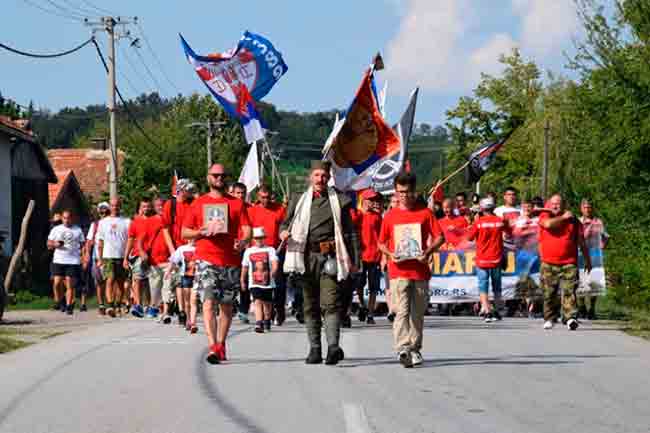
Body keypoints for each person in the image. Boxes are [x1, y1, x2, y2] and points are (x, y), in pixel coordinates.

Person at [280, 160, 360, 365]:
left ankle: (333, 347)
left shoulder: (340, 200)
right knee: (310, 305)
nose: (320, 179)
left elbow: (351, 233)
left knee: (331, 303)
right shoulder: (298, 200)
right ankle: (315, 349)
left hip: (330, 258)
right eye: (316, 175)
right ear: (310, 177)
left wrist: (355, 260)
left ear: (329, 178)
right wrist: (283, 232)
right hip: (304, 257)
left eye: (324, 176)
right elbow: (285, 223)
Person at [182, 163, 251, 364]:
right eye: (215, 175)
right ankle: (213, 346)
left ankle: (221, 344)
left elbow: (247, 229)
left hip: (230, 259)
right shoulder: (198, 203)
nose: (219, 179)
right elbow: (184, 232)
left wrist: (243, 241)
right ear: (208, 177)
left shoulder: (236, 204)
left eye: (222, 175)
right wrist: (200, 232)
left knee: (227, 306)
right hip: (206, 258)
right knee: (209, 302)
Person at [378, 172, 444, 368]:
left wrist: (428, 251)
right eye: (399, 192)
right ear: (395, 192)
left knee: (417, 314)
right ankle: (403, 348)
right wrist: (390, 253)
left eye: (407, 192)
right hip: (398, 271)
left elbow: (440, 237)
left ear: (414, 192)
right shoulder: (389, 215)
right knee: (401, 311)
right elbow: (381, 242)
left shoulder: (425, 213)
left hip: (420, 270)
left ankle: (415, 349)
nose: (403, 196)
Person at [538, 194, 592, 331]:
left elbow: (581, 241)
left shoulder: (574, 221)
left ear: (564, 205)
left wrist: (587, 260)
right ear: (549, 205)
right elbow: (548, 225)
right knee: (549, 294)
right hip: (548, 262)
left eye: (559, 203)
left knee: (569, 291)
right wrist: (563, 218)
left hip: (569, 262)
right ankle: (550, 318)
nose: (556, 206)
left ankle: (570, 318)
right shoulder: (545, 216)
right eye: (553, 203)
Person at [465, 197, 510, 322]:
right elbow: (508, 232)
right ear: (493, 208)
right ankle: (496, 310)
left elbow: (469, 238)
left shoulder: (479, 223)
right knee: (496, 286)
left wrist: (472, 223)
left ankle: (487, 311)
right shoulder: (500, 221)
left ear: (482, 209)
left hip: (482, 259)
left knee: (483, 285)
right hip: (496, 258)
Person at [248, 185, 287, 325]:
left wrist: (284, 235)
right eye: (262, 197)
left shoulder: (279, 209)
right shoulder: (252, 211)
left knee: (279, 283)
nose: (265, 200)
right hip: (258, 252)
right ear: (258, 197)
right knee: (262, 283)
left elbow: (285, 225)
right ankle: (266, 314)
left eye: (267, 197)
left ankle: (280, 308)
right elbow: (247, 231)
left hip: (276, 250)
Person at [162, 179, 196, 326]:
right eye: (188, 191)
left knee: (186, 281)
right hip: (176, 247)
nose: (190, 193)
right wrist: (172, 250)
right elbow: (165, 228)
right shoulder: (171, 204)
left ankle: (185, 310)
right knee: (177, 281)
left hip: (190, 247)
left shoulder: (193, 203)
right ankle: (180, 310)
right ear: (181, 190)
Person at [96, 197, 131, 318]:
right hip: (108, 255)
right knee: (109, 280)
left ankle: (117, 304)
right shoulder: (103, 222)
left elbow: (129, 241)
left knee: (120, 283)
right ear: (109, 207)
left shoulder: (126, 221)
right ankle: (110, 305)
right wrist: (100, 259)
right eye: (112, 205)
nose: (114, 207)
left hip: (121, 256)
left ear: (120, 206)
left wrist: (127, 257)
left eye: (117, 205)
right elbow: (100, 242)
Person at [139, 201, 172, 323]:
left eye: (162, 205)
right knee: (155, 288)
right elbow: (140, 239)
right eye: (158, 205)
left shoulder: (171, 220)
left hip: (169, 260)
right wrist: (142, 252)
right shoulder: (150, 221)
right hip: (154, 260)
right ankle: (156, 307)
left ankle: (166, 312)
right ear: (154, 207)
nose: (161, 208)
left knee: (167, 287)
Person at [241, 227, 279, 333]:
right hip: (254, 283)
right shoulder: (248, 251)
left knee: (267, 304)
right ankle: (258, 323)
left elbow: (275, 262)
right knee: (257, 301)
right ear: (253, 239)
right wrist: (242, 280)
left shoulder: (270, 250)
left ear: (264, 238)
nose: (259, 240)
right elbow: (245, 266)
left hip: (268, 282)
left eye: (261, 238)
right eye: (257, 238)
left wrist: (274, 270)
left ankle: (267, 320)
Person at [47, 210, 85, 315]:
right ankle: (60, 300)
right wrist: (55, 244)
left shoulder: (77, 230)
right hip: (59, 260)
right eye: (64, 218)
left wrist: (83, 256)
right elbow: (49, 243)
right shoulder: (56, 229)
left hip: (72, 260)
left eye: (68, 218)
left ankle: (69, 306)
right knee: (57, 283)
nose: (66, 220)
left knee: (70, 284)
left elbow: (83, 245)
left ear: (72, 218)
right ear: (62, 219)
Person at [578, 199, 609, 320]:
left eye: (589, 207)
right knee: (580, 281)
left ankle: (592, 309)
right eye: (585, 207)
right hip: (580, 255)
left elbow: (606, 236)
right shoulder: (578, 221)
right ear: (581, 208)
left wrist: (603, 245)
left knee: (594, 282)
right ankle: (581, 307)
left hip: (595, 256)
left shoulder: (598, 222)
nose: (587, 209)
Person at [512, 199, 541, 318]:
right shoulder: (517, 221)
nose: (527, 209)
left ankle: (532, 306)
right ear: (522, 208)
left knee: (535, 281)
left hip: (535, 254)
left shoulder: (538, 220)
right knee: (523, 281)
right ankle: (524, 305)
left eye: (530, 207)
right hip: (522, 255)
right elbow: (510, 234)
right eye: (525, 207)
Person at [358, 189, 383, 325]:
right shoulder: (357, 215)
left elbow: (383, 236)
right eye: (369, 200)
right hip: (361, 256)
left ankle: (370, 313)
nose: (372, 202)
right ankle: (362, 305)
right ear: (363, 200)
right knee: (359, 284)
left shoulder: (377, 217)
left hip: (375, 256)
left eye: (373, 200)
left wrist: (383, 255)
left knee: (373, 287)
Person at [123, 198, 151, 318]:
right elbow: (130, 240)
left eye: (148, 206)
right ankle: (138, 304)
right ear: (139, 208)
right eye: (144, 206)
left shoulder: (154, 220)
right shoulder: (135, 222)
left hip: (152, 254)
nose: (146, 209)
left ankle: (149, 305)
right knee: (137, 279)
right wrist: (125, 257)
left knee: (149, 282)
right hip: (137, 254)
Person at [231, 182, 253, 324]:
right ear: (232, 193)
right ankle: (230, 306)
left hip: (246, 248)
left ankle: (243, 310)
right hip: (231, 248)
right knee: (231, 280)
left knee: (244, 280)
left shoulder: (251, 209)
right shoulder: (228, 207)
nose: (240, 196)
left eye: (242, 193)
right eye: (237, 193)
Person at [85, 202, 110, 315]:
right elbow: (89, 241)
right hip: (97, 257)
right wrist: (86, 254)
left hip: (110, 256)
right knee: (99, 282)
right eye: (101, 211)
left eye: (105, 211)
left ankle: (112, 303)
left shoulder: (111, 223)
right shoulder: (94, 225)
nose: (103, 213)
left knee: (110, 281)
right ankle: (101, 304)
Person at [168, 240, 197, 333]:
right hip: (186, 277)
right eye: (190, 238)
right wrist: (168, 271)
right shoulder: (182, 249)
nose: (192, 240)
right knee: (187, 302)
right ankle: (188, 320)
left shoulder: (200, 247)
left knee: (194, 301)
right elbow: (174, 261)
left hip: (197, 277)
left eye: (194, 238)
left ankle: (193, 323)